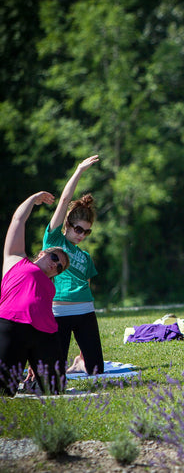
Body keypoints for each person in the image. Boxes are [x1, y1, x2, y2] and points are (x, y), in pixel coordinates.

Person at [0, 192, 70, 395]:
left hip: (45, 334)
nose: (55, 264)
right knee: (4, 392)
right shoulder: (15, 259)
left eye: (59, 267)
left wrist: (33, 356)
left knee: (55, 389)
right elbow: (18, 220)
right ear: (42, 253)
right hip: (11, 325)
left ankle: (32, 381)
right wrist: (32, 199)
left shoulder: (50, 285)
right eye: (55, 257)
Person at [42, 155, 105, 376]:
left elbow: (86, 284)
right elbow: (64, 199)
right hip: (58, 311)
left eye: (86, 232)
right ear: (67, 224)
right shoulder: (54, 241)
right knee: (53, 375)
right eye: (78, 229)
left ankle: (81, 360)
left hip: (85, 310)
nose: (81, 235)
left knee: (96, 370)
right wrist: (79, 171)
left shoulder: (85, 257)